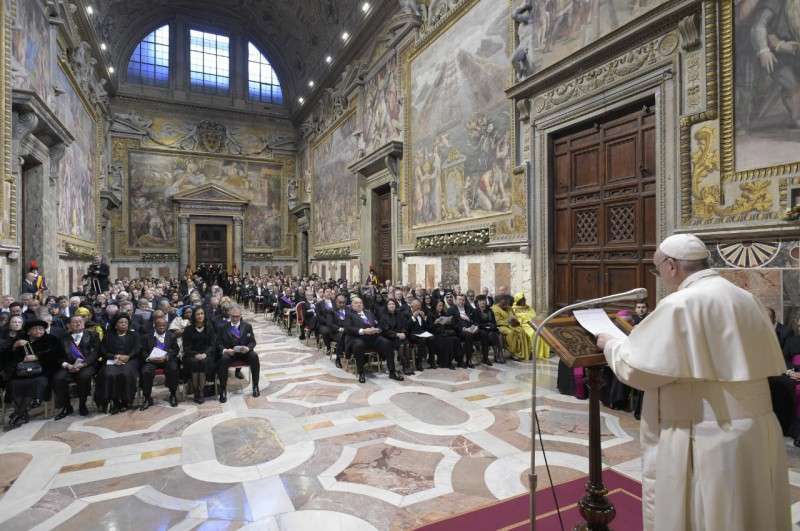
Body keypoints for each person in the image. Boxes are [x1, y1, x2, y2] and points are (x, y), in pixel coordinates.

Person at [597, 233, 790, 531]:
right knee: (751, 510)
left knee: (708, 514)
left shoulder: (681, 304)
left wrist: (610, 343)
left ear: (671, 266)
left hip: (706, 434)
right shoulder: (746, 297)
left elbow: (639, 370)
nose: (660, 275)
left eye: (657, 268)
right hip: (755, 429)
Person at [5, 319, 64, 428]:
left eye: (41, 329)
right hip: (22, 372)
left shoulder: (51, 339)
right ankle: (22, 414)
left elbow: (56, 355)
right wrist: (14, 346)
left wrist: (38, 356)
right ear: (28, 332)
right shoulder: (20, 340)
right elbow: (7, 357)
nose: (39, 331)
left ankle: (18, 414)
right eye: (35, 329)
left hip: (42, 371)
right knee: (14, 383)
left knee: (37, 382)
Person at [344, 297, 403, 383]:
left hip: (373, 337)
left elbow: (378, 323)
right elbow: (348, 328)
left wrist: (377, 329)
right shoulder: (349, 314)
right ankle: (361, 373)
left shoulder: (369, 313)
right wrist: (363, 331)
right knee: (359, 345)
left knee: (387, 343)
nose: (359, 304)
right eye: (356, 303)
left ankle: (392, 372)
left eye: (360, 303)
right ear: (352, 305)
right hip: (358, 338)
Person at [53, 315, 100, 418]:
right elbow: (59, 356)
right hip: (69, 366)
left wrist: (83, 364)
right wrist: (68, 366)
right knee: (58, 378)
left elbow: (95, 353)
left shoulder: (93, 335)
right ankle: (66, 406)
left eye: (80, 321)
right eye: (74, 322)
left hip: (87, 365)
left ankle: (82, 405)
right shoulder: (63, 338)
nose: (78, 323)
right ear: (69, 325)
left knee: (83, 377)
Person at [98, 314, 142, 414]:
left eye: (126, 323)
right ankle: (114, 401)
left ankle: (126, 401)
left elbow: (137, 348)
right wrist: (115, 356)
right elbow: (103, 350)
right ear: (115, 325)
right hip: (112, 360)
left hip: (130, 360)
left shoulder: (134, 335)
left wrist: (128, 356)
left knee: (125, 374)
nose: (124, 324)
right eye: (121, 322)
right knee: (109, 374)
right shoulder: (109, 335)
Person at [217, 304, 259, 402]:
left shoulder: (247, 326)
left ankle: (255, 386)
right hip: (231, 353)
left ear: (240, 316)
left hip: (244, 353)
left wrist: (248, 348)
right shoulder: (223, 327)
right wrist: (225, 350)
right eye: (233, 316)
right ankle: (223, 390)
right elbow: (218, 343)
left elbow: (253, 342)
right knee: (223, 359)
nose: (235, 318)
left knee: (254, 356)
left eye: (237, 316)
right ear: (229, 315)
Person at [139, 316, 180, 409]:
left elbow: (175, 350)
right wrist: (149, 358)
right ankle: (147, 397)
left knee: (173, 369)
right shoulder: (147, 336)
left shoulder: (171, 336)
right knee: (146, 371)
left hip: (165, 359)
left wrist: (167, 356)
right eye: (159, 326)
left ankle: (173, 394)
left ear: (166, 326)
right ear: (155, 326)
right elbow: (143, 351)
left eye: (163, 325)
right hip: (152, 360)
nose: (161, 327)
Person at [182, 307, 217, 404]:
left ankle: (201, 391)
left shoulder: (209, 328)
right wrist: (195, 354)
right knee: (194, 362)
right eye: (198, 314)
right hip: (191, 355)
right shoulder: (188, 329)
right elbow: (186, 347)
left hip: (206, 355)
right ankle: (195, 391)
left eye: (202, 313)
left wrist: (205, 354)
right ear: (194, 316)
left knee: (203, 362)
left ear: (204, 315)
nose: (200, 316)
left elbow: (212, 344)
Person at [492, 294, 531, 361]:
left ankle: (524, 352)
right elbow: (498, 321)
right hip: (501, 326)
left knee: (521, 331)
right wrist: (509, 322)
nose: (506, 305)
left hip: (512, 325)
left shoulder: (509, 308)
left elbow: (514, 316)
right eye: (503, 303)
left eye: (506, 303)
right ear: (499, 302)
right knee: (511, 332)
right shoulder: (494, 309)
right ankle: (514, 353)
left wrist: (514, 320)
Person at [379, 299, 413, 375]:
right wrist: (397, 334)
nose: (391, 305)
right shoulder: (383, 316)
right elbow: (385, 330)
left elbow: (404, 326)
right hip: (390, 337)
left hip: (401, 336)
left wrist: (404, 333)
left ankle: (407, 366)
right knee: (400, 345)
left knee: (406, 344)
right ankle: (405, 366)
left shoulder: (399, 314)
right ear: (387, 306)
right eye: (390, 304)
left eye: (393, 304)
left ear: (395, 305)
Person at [512, 293, 550, 360]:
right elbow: (515, 319)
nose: (524, 301)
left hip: (533, 323)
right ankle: (532, 352)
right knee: (533, 333)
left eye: (524, 300)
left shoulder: (529, 308)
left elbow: (534, 316)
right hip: (523, 325)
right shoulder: (514, 309)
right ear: (518, 301)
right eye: (522, 300)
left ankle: (541, 352)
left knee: (542, 331)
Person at [448, 294, 479, 368]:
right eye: (459, 299)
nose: (461, 301)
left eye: (463, 300)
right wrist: (463, 328)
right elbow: (452, 324)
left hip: (471, 328)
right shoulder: (451, 309)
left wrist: (475, 326)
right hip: (459, 331)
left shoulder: (468, 308)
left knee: (483, 333)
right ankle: (469, 359)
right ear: (455, 300)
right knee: (468, 335)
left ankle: (485, 357)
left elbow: (475, 319)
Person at [430, 300, 460, 370]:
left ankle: (459, 360)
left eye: (442, 306)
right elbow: (429, 327)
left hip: (444, 332)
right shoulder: (431, 314)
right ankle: (447, 362)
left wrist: (448, 321)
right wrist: (435, 322)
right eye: (439, 306)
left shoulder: (444, 313)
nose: (441, 307)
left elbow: (448, 325)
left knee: (456, 339)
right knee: (447, 340)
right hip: (436, 334)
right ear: (435, 306)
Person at [474, 295, 502, 365]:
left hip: (490, 329)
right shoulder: (476, 311)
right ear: (478, 303)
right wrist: (486, 326)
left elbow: (494, 322)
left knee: (495, 334)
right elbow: (476, 323)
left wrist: (492, 326)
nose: (483, 302)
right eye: (481, 301)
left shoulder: (490, 311)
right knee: (485, 334)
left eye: (484, 301)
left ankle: (497, 355)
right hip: (481, 330)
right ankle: (486, 357)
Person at [407, 299, 433, 370]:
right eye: (416, 306)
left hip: (422, 333)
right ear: (412, 306)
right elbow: (407, 327)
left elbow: (426, 327)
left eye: (419, 306)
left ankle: (431, 361)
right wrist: (413, 317)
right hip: (413, 334)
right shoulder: (407, 313)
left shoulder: (422, 313)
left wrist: (424, 318)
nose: (418, 307)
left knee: (432, 338)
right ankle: (419, 362)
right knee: (422, 340)